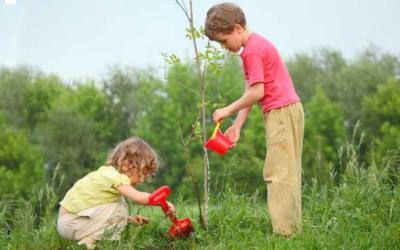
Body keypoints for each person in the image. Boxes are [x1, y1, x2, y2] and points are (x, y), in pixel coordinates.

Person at [205, 2, 304, 237]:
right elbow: (251, 90)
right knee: (286, 171)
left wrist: (227, 110)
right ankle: (291, 230)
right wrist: (237, 125)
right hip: (285, 110)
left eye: (223, 40)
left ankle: (285, 234)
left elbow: (257, 93)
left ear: (237, 28)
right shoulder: (253, 47)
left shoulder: (252, 51)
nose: (224, 47)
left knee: (278, 173)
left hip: (281, 112)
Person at [57, 137, 175, 248]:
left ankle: (88, 242)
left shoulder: (108, 175)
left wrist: (129, 219)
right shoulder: (115, 177)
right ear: (126, 165)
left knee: (119, 205)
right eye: (141, 173)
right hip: (71, 222)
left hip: (70, 222)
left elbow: (99, 211)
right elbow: (139, 198)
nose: (142, 180)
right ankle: (88, 244)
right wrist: (163, 202)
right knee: (119, 207)